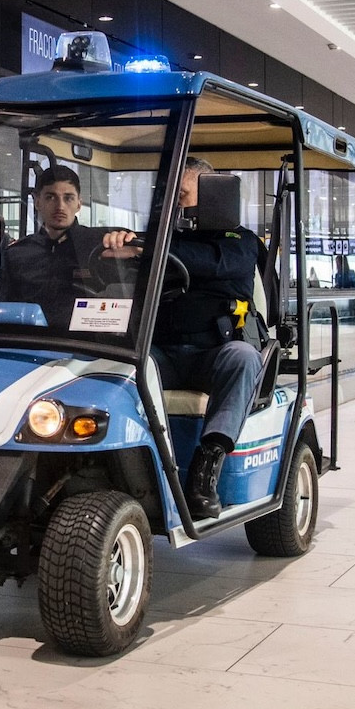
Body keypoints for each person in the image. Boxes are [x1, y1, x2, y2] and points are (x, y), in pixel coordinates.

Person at [107, 157, 266, 520]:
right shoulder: (163, 240)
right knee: (114, 361)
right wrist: (117, 244)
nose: (175, 203)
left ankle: (206, 466)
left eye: (182, 194)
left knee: (243, 357)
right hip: (160, 353)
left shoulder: (240, 241)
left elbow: (209, 262)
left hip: (213, 355)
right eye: (170, 195)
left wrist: (147, 247)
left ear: (212, 195)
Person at [0, 165, 132, 327]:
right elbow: (0, 312)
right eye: (51, 197)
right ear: (37, 201)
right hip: (32, 344)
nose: (60, 206)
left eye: (68, 198)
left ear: (79, 204)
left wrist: (135, 252)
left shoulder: (104, 245)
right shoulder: (17, 254)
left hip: (90, 346)